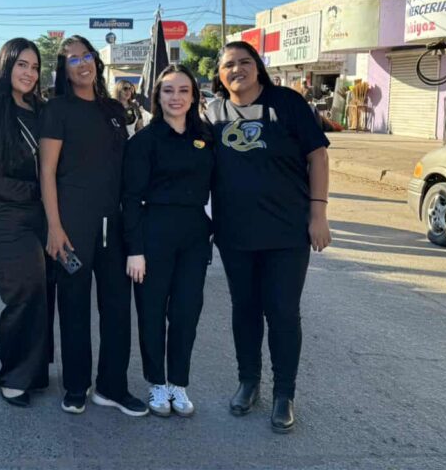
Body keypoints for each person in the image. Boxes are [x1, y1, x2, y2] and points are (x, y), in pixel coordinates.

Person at [210, 40, 331, 434]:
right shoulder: (212, 112)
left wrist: (318, 214)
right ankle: (248, 382)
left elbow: (318, 156)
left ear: (258, 67)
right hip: (234, 232)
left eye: (245, 62)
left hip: (287, 231)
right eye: (229, 64)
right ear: (219, 74)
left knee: (282, 311)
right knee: (244, 309)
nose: (237, 69)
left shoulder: (287, 103)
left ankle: (284, 394)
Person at [39, 35, 147, 417]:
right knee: (73, 306)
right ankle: (75, 385)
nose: (82, 63)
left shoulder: (113, 109)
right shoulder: (57, 110)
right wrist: (54, 227)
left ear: (96, 62)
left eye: (86, 56)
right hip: (72, 225)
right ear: (64, 69)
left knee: (117, 307)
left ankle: (112, 386)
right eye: (72, 59)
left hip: (114, 224)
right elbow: (47, 172)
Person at [123, 65, 213, 418]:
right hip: (153, 234)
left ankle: (178, 382)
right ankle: (157, 382)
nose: (176, 97)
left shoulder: (207, 136)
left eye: (183, 90)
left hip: (194, 236)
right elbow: (131, 198)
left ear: (194, 96)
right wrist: (135, 250)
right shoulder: (143, 141)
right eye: (168, 90)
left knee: (186, 312)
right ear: (157, 96)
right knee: (151, 312)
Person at [0, 38, 53, 408]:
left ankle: (34, 372)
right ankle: (12, 377)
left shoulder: (40, 109)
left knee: (40, 292)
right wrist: (38, 191)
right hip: (3, 217)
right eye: (22, 65)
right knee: (22, 293)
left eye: (35, 67)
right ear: (6, 66)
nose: (29, 73)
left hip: (39, 216)